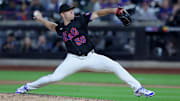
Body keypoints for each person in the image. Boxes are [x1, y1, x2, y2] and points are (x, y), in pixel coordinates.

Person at [15, 4, 155, 97]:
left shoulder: (80, 19)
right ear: (63, 14)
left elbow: (99, 13)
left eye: (72, 10)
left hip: (91, 57)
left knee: (115, 66)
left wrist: (114, 10)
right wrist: (40, 18)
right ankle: (27, 87)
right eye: (69, 10)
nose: (72, 11)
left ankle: (138, 88)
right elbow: (51, 26)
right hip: (73, 59)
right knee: (54, 77)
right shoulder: (61, 28)